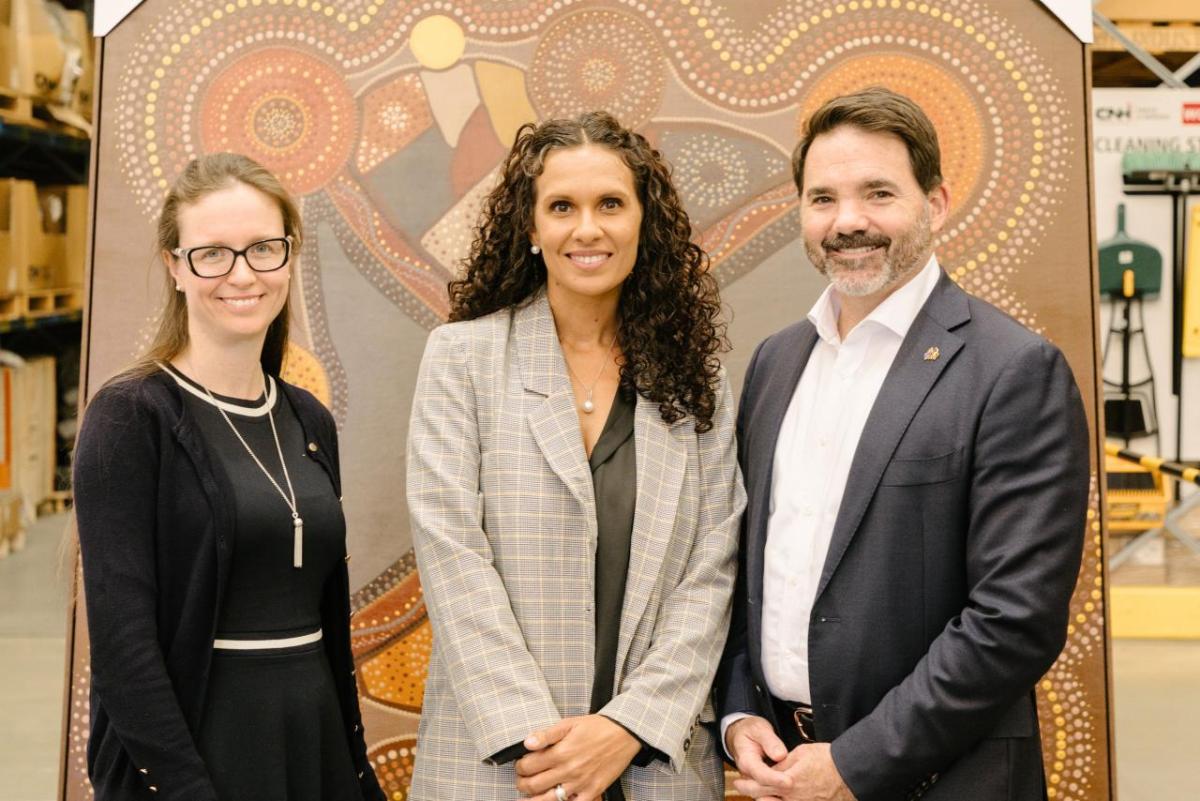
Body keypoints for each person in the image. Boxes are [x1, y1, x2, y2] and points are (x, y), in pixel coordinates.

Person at [713, 88, 1090, 801]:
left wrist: (856, 761)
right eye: (822, 198)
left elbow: (1016, 619)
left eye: (878, 193)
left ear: (936, 203)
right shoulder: (774, 363)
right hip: (780, 770)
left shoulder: (1012, 369)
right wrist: (737, 713)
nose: (848, 221)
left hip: (942, 777)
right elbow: (744, 572)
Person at [406, 111, 744, 801]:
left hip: (654, 765)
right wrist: (551, 751)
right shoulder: (462, 358)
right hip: (506, 768)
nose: (587, 228)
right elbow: (452, 554)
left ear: (643, 222)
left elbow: (715, 568)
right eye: (562, 206)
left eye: (610, 204)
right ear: (530, 228)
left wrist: (627, 727)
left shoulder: (695, 377)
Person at [73, 153, 385, 801]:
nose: (242, 274)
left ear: (290, 256)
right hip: (204, 756)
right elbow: (124, 651)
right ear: (175, 265)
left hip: (312, 741)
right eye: (212, 253)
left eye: (263, 249)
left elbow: (325, 622)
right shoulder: (132, 417)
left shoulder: (308, 418)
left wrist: (356, 773)